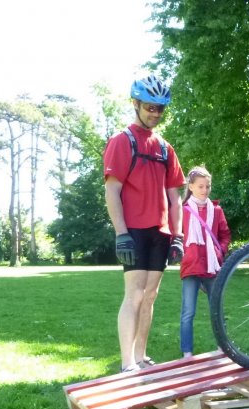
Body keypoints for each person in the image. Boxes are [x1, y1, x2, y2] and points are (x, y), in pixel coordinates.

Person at [103, 75, 185, 373]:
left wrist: (178, 236)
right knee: (134, 294)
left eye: (161, 108)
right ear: (136, 104)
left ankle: (140, 355)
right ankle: (127, 363)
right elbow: (112, 190)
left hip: (160, 232)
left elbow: (175, 197)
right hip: (134, 230)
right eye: (151, 107)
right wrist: (121, 234)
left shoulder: (165, 148)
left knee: (151, 295)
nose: (156, 113)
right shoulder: (121, 141)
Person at [179, 166, 231, 358]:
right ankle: (187, 352)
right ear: (191, 187)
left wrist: (219, 250)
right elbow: (177, 235)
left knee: (217, 308)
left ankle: (223, 347)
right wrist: (182, 253)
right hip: (191, 266)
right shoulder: (183, 211)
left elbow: (225, 234)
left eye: (207, 186)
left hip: (211, 267)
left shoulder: (216, 210)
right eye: (200, 186)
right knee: (188, 312)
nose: (205, 190)